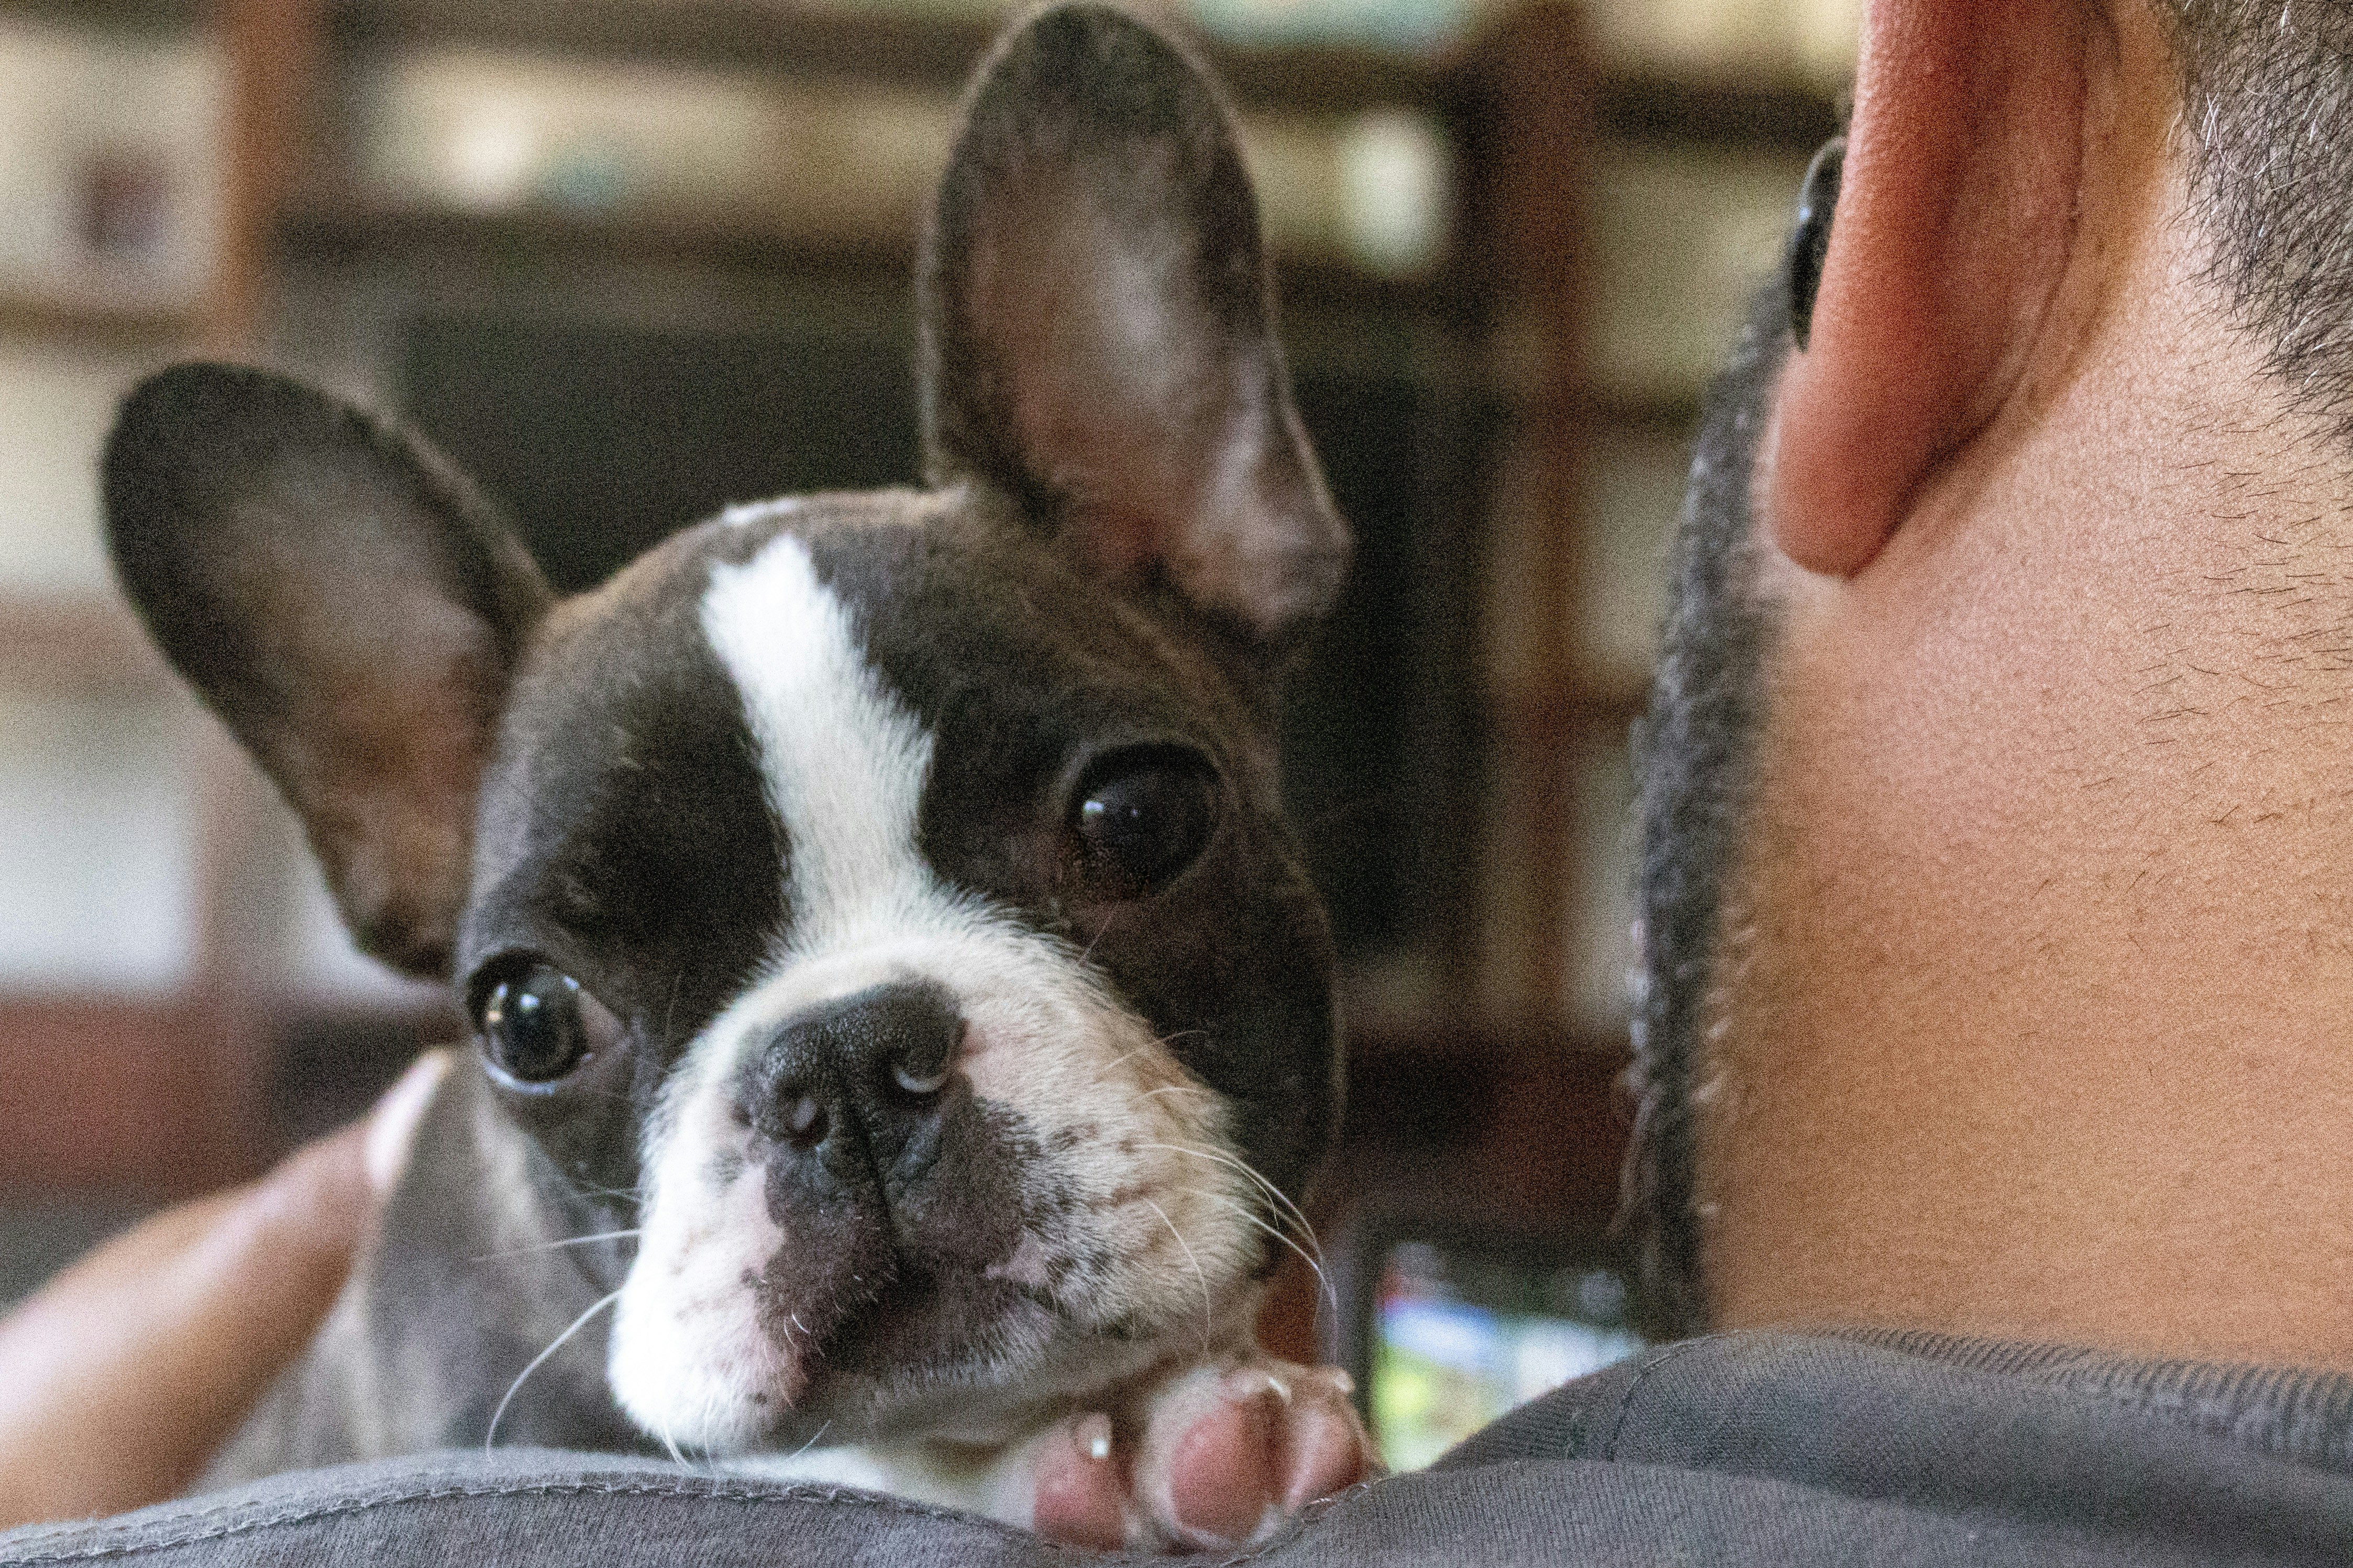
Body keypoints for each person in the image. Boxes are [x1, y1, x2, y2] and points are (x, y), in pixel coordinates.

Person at [6, 0, 2353, 1559]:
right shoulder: (421, 1382)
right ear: (399, 828)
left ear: (1196, 517)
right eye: (557, 1015)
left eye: (1110, 834)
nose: (855, 1099)